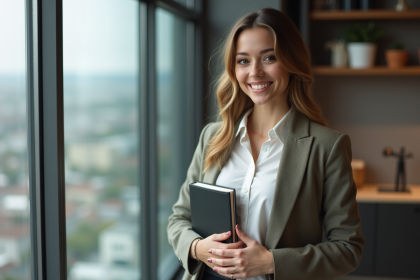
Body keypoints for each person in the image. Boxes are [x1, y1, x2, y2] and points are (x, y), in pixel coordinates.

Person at [167, 8, 365, 280]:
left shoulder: (326, 147)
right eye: (243, 61)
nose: (255, 72)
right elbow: (179, 219)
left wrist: (272, 262)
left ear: (292, 61)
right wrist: (198, 248)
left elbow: (348, 249)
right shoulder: (213, 137)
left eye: (269, 58)